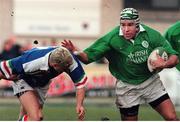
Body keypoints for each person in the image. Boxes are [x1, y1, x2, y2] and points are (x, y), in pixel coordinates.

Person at [61, 8, 179, 120]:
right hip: (127, 87)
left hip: (150, 83)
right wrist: (76, 51)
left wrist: (163, 64)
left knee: (172, 117)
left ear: (137, 25)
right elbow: (87, 58)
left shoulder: (151, 35)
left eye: (130, 25)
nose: (126, 29)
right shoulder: (111, 38)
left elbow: (174, 57)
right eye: (123, 25)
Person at [0, 46, 87, 121]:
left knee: (34, 117)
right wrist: (7, 77)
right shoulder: (31, 61)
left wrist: (80, 105)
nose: (68, 69)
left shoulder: (70, 60)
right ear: (55, 65)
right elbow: (2, 68)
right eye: (65, 68)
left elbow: (80, 84)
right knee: (36, 117)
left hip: (42, 82)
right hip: (23, 80)